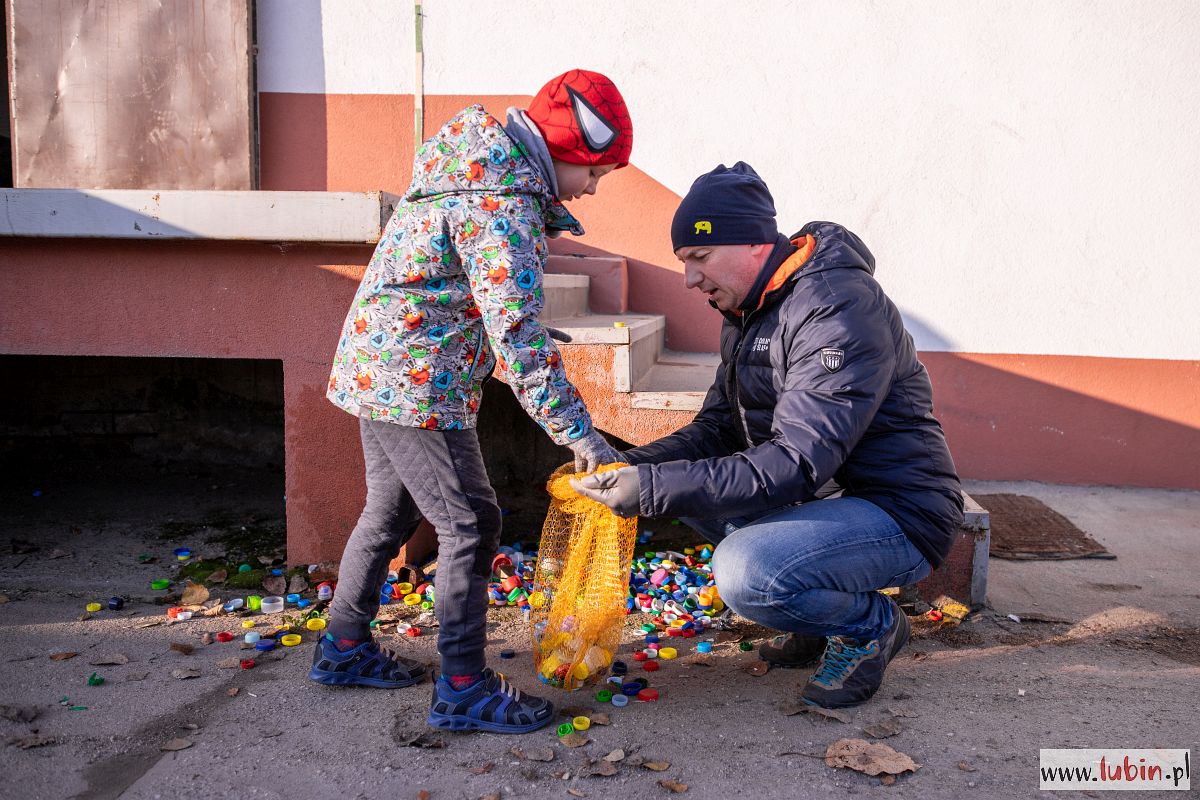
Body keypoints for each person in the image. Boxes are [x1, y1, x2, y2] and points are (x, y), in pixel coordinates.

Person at [573, 162, 964, 708]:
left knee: (746, 570)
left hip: (899, 512)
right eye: (684, 262)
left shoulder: (836, 309)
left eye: (700, 257)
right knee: (690, 495)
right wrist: (633, 466)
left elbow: (796, 462)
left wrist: (653, 487)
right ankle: (815, 620)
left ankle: (870, 625)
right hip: (827, 499)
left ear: (755, 242)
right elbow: (718, 429)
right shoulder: (750, 308)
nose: (690, 279)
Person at [311, 70, 632, 733]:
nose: (593, 189)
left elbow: (467, 291)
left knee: (391, 509)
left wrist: (511, 328)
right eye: (595, 172)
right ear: (562, 147)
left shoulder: (468, 169)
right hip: (417, 379)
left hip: (381, 364)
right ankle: (461, 685)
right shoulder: (500, 202)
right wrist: (579, 433)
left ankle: (343, 645)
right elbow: (514, 333)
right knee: (471, 522)